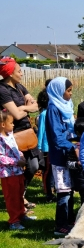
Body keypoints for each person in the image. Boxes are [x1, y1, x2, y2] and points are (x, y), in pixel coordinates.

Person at [0, 57, 40, 210]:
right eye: (19, 71)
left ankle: (20, 195)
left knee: (33, 166)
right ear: (10, 73)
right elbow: (15, 115)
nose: (22, 73)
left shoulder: (20, 87)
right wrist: (24, 109)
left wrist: (22, 108)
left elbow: (35, 105)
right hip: (13, 134)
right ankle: (17, 201)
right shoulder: (2, 90)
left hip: (27, 131)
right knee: (18, 167)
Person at [45, 77, 76, 236]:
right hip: (60, 156)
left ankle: (69, 220)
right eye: (68, 91)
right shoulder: (53, 108)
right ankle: (60, 226)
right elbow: (57, 137)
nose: (71, 94)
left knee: (70, 190)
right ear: (58, 91)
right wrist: (73, 146)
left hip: (68, 153)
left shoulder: (66, 106)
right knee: (63, 192)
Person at [0, 111, 36, 230]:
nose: (13, 125)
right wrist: (16, 162)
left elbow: (16, 149)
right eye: (11, 123)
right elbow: (1, 157)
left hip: (18, 171)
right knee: (12, 197)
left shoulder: (10, 135)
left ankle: (21, 215)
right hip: (8, 174)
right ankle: (13, 221)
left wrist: (21, 156)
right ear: (3, 124)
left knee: (19, 194)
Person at [36, 81, 56, 202]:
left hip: (53, 146)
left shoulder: (53, 111)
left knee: (53, 170)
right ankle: (48, 192)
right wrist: (39, 147)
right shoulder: (44, 114)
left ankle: (53, 190)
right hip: (47, 147)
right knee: (47, 171)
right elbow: (41, 131)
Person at [67, 117, 84, 205]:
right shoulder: (72, 145)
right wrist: (77, 164)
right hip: (80, 178)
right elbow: (68, 163)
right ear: (78, 133)